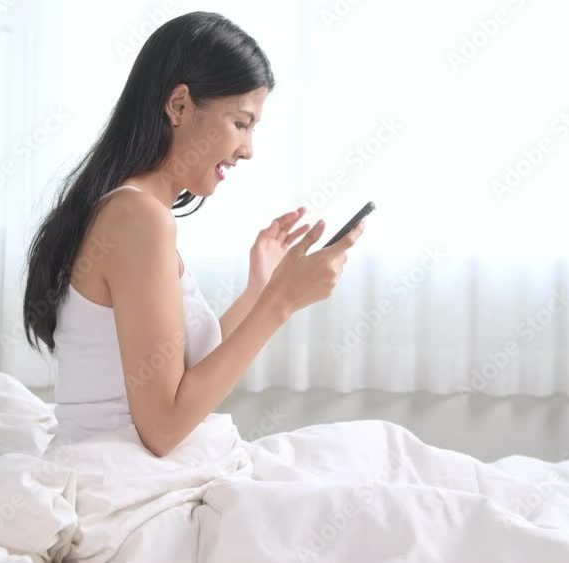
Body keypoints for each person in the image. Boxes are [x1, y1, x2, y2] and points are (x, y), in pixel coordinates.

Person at [22, 11, 365, 457]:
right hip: (117, 471)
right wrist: (281, 302)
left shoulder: (129, 209)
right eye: (241, 123)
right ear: (179, 105)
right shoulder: (138, 217)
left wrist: (260, 292)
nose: (248, 150)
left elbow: (179, 378)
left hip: (120, 461)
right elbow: (163, 427)